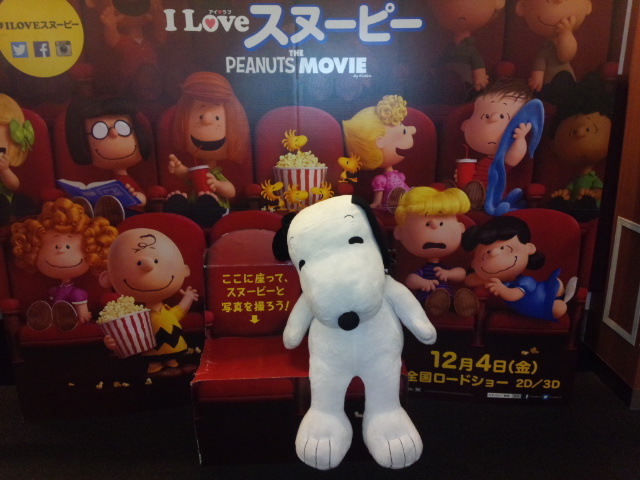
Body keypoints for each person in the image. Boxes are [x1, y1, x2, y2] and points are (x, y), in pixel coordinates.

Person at [100, 228, 199, 376]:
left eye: (157, 261)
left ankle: (172, 364)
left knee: (173, 363)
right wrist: (111, 341)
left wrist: (188, 297)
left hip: (175, 347)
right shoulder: (135, 319)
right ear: (107, 278)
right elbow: (125, 333)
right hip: (149, 351)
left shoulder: (167, 312)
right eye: (138, 262)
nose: (148, 265)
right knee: (154, 366)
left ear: (184, 270)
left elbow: (180, 311)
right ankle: (155, 367)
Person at [10, 197, 117, 331]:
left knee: (74, 298)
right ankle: (46, 318)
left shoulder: (77, 292)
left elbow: (83, 311)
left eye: (68, 246)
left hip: (73, 320)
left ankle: (64, 319)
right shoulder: (54, 290)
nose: (60, 250)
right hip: (55, 317)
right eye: (56, 246)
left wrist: (83, 314)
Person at [164, 72, 251, 227]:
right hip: (194, 209)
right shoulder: (195, 169)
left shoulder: (216, 174)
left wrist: (217, 184)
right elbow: (188, 176)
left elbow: (231, 191)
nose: (207, 120)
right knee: (182, 201)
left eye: (217, 118)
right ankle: (180, 209)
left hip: (218, 210)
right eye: (199, 116)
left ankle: (204, 207)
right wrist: (178, 169)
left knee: (207, 202)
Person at [461, 215, 576, 322]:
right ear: (473, 263)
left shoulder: (525, 281)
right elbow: (469, 280)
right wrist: (482, 280)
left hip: (542, 301)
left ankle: (562, 295)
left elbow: (514, 296)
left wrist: (501, 289)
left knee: (558, 307)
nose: (494, 253)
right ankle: (561, 294)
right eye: (487, 252)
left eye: (503, 248)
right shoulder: (497, 281)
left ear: (529, 248)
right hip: (526, 309)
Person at [65, 95, 153, 224]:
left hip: (131, 218)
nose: (114, 133)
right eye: (99, 131)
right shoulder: (102, 178)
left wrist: (136, 197)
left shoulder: (128, 179)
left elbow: (142, 199)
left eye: (123, 128)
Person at [394, 186, 478, 317]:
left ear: (460, 228)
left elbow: (461, 274)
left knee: (452, 299)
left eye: (441, 223)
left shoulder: (444, 268)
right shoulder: (423, 271)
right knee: (430, 302)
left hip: (450, 296)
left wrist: (449, 273)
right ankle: (436, 304)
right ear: (399, 233)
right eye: (427, 224)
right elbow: (411, 280)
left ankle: (462, 304)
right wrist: (423, 282)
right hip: (426, 298)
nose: (434, 225)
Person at [459, 78, 534, 208]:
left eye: (502, 116)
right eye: (486, 116)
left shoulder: (502, 162)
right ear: (465, 124)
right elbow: (473, 177)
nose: (493, 118)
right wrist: (461, 176)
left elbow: (513, 158)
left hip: (494, 199)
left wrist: (520, 139)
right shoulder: (483, 161)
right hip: (473, 198)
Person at [546, 78, 612, 222]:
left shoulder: (593, 179)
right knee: (562, 204)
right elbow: (570, 189)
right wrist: (565, 193)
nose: (580, 132)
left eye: (589, 129)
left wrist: (594, 194)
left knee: (587, 203)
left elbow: (600, 191)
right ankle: (562, 206)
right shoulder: (575, 179)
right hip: (573, 209)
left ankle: (584, 205)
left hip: (593, 211)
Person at [342, 95, 416, 209]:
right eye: (404, 130)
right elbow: (377, 201)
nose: (413, 130)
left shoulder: (398, 175)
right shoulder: (381, 180)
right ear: (380, 142)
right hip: (392, 206)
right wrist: (376, 203)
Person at [515, 0, 592, 103]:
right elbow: (543, 61)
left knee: (571, 80)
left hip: (566, 82)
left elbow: (566, 56)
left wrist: (566, 34)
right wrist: (537, 77)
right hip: (550, 85)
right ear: (522, 7)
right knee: (562, 80)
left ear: (587, 6)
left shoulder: (553, 44)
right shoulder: (546, 47)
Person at [427, 0, 505, 103]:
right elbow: (442, 59)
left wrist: (480, 76)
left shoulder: (470, 48)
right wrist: (434, 69)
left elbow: (476, 60)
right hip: (447, 81)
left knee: (464, 93)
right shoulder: (450, 47)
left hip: (465, 81)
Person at [0, 93, 38, 225]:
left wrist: (5, 170)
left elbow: (14, 185)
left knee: (21, 200)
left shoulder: (3, 166)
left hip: (6, 200)